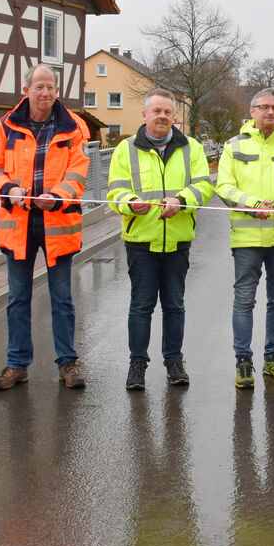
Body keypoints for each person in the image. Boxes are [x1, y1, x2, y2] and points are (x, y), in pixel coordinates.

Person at [0, 63, 90, 391]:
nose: (45, 93)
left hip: (57, 223)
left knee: (62, 298)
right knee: (18, 298)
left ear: (57, 92)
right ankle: (17, 364)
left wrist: (56, 197)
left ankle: (67, 363)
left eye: (50, 88)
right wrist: (11, 191)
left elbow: (78, 174)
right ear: (26, 89)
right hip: (18, 225)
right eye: (39, 87)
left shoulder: (74, 128)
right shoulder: (7, 126)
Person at [107, 88, 214, 391]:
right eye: (157, 111)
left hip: (178, 240)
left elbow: (204, 187)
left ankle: (174, 362)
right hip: (141, 239)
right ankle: (137, 364)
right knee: (141, 306)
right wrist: (129, 202)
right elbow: (115, 192)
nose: (163, 116)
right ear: (144, 115)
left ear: (174, 117)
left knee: (174, 306)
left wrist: (180, 201)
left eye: (168, 112)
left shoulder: (191, 148)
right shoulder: (125, 149)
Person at [216, 87, 274, 389]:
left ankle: (273, 357)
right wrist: (252, 205)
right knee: (244, 301)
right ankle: (243, 362)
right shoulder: (233, 145)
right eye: (265, 107)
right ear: (252, 110)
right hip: (247, 239)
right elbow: (224, 186)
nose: (271, 112)